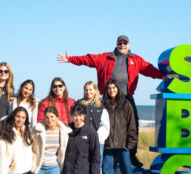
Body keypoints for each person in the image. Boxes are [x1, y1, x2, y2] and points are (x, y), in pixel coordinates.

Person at [57, 35, 164, 166]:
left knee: (133, 126)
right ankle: (109, 156)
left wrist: (163, 76)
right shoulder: (105, 57)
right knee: (107, 127)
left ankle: (131, 155)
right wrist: (71, 59)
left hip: (126, 98)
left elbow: (149, 69)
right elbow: (88, 59)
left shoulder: (135, 59)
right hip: (108, 99)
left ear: (129, 44)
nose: (122, 45)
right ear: (116, 44)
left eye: (125, 43)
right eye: (120, 43)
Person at [102, 80, 139, 174]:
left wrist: (130, 144)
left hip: (123, 145)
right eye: (109, 88)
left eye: (114, 88)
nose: (111, 90)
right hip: (107, 145)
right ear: (106, 90)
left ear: (118, 89)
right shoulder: (103, 104)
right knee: (108, 173)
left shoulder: (126, 104)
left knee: (127, 171)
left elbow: (131, 124)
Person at [78, 81, 110, 174]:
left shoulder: (101, 106)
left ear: (95, 90)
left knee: (96, 167)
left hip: (98, 142)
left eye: (91, 90)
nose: (88, 92)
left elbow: (105, 125)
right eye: (86, 90)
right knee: (83, 167)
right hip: (82, 141)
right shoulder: (79, 104)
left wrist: (96, 137)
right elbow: (75, 120)